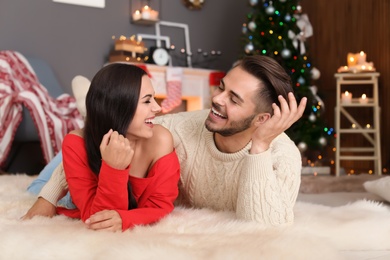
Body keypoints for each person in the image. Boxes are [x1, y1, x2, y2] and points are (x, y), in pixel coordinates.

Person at [23, 55, 307, 227]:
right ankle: (94, 106)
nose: (217, 99)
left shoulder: (283, 157)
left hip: (120, 174)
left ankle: (94, 105)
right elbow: (107, 131)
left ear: (261, 119)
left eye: (233, 99)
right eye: (222, 87)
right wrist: (47, 196)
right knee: (40, 185)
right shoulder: (185, 126)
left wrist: (259, 149)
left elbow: (263, 230)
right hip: (99, 158)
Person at [22, 63, 181, 232]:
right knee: (36, 190)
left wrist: (126, 219)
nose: (158, 108)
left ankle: (89, 110)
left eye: (154, 99)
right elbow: (96, 218)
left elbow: (160, 206)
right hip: (81, 173)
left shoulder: (161, 140)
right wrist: (114, 169)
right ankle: (90, 113)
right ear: (119, 107)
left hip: (98, 139)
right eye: (147, 100)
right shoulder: (76, 143)